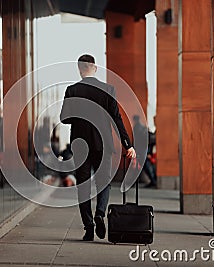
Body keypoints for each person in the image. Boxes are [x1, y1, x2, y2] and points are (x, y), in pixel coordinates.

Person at [60, 54, 136, 241]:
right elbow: (116, 118)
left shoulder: (72, 90)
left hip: (80, 145)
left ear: (79, 69)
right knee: (103, 183)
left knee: (83, 186)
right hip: (103, 144)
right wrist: (128, 144)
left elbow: (64, 118)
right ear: (94, 68)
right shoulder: (108, 89)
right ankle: (100, 214)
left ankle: (88, 227)